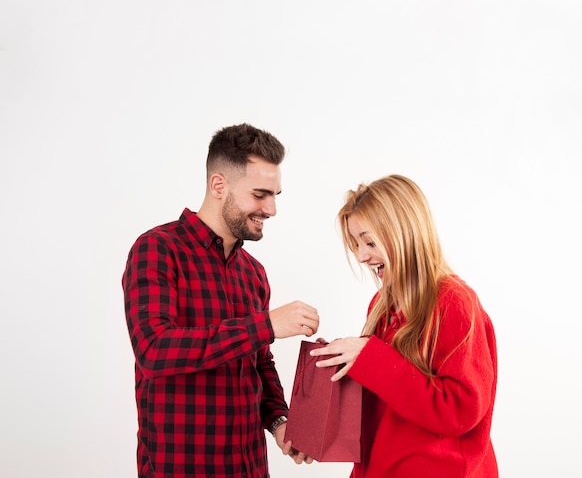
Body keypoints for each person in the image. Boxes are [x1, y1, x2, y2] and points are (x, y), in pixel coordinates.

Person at [122, 123, 319, 478]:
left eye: (275, 195)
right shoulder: (157, 249)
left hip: (249, 468)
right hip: (181, 468)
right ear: (218, 185)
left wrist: (279, 422)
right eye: (260, 194)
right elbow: (154, 349)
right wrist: (267, 325)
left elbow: (259, 362)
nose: (271, 209)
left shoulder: (253, 273)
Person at [311, 174, 498, 477]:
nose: (360, 255)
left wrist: (370, 357)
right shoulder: (381, 304)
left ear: (405, 234)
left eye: (369, 241)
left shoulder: (454, 302)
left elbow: (460, 411)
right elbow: (385, 405)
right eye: (356, 243)